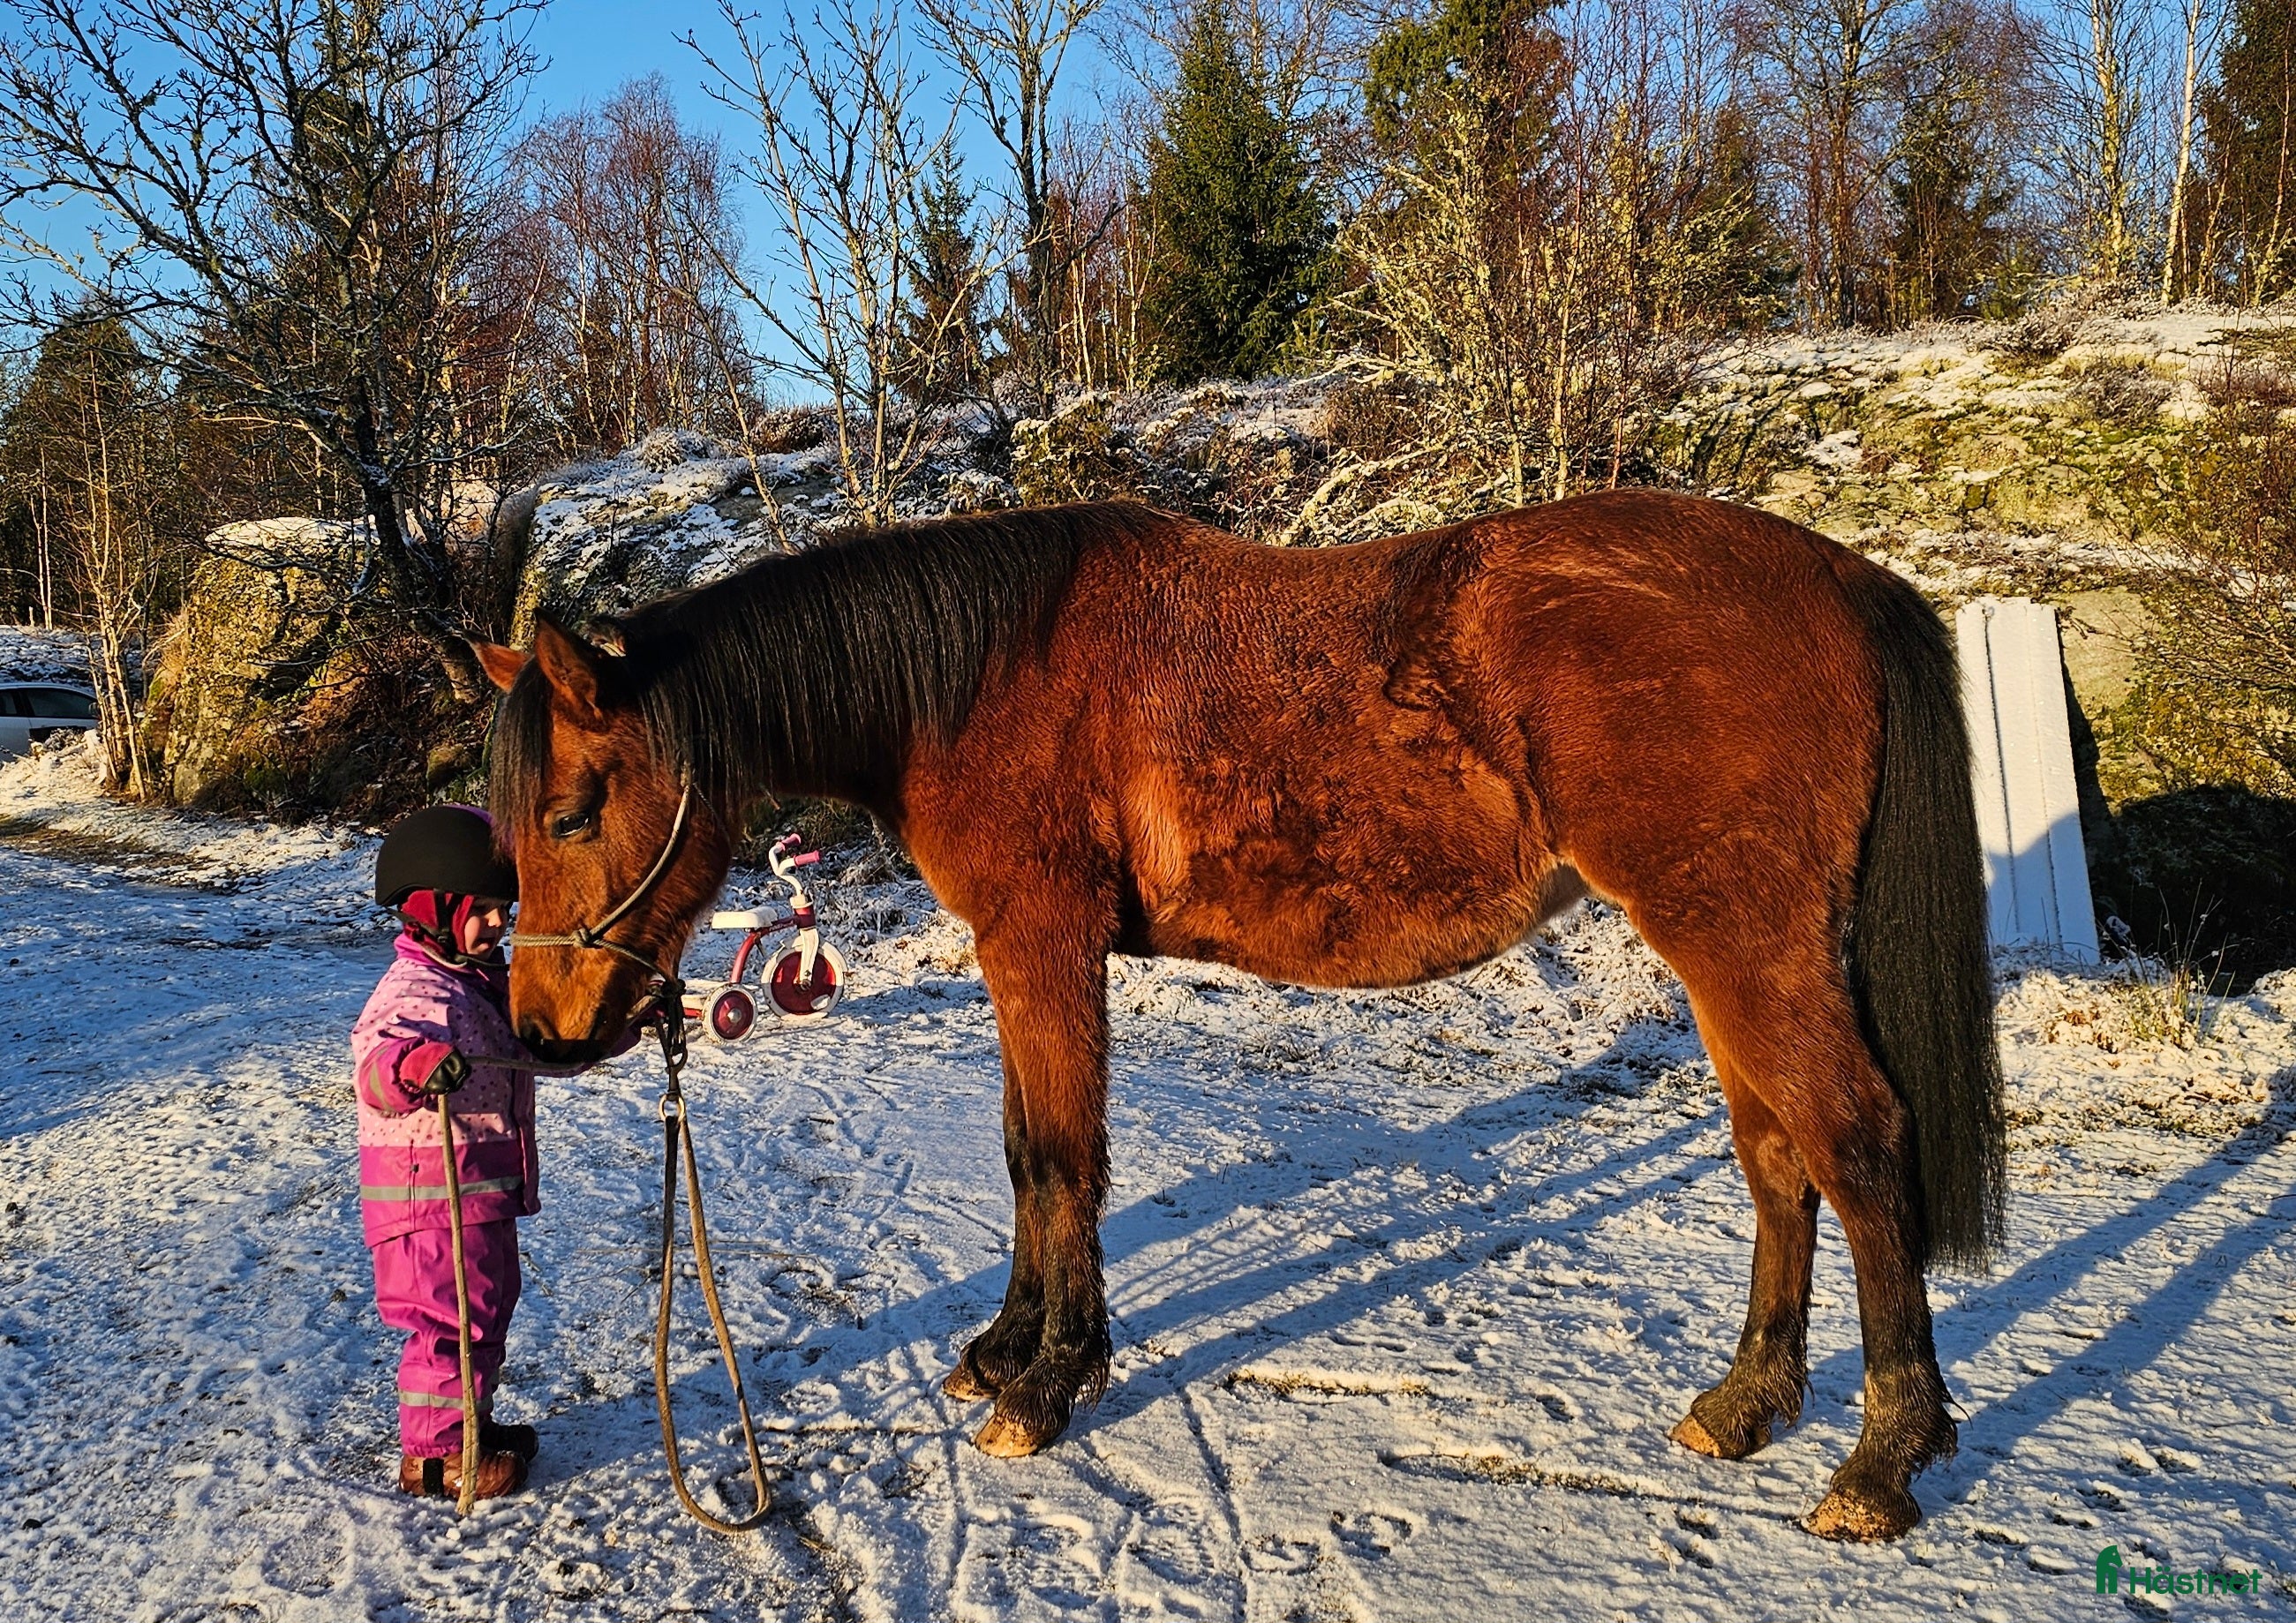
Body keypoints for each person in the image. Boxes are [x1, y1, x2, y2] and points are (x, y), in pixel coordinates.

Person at [351, 803, 545, 1501]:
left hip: (477, 1188)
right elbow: (374, 1063)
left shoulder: (481, 984)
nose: (499, 923)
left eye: (503, 909)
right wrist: (411, 1066)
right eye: (483, 909)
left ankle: (471, 1425)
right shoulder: (413, 990)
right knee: (445, 1323)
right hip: (425, 1199)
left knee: (486, 1307)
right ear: (432, 906)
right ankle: (434, 1457)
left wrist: (622, 1024)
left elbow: (540, 1049)